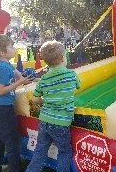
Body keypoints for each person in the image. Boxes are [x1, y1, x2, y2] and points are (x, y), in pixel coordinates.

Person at [26, 40, 80, 172]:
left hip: (44, 120)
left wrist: (45, 102)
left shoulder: (44, 79)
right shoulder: (71, 75)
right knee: (65, 151)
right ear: (63, 58)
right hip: (61, 122)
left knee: (40, 151)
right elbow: (78, 86)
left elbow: (34, 99)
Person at [0, 34, 33, 172]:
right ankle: (15, 169)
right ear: (2, 52)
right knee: (12, 141)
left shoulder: (5, 64)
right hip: (3, 110)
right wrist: (20, 83)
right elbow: (0, 91)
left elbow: (18, 73)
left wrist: (27, 79)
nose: (14, 48)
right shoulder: (3, 68)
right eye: (11, 46)